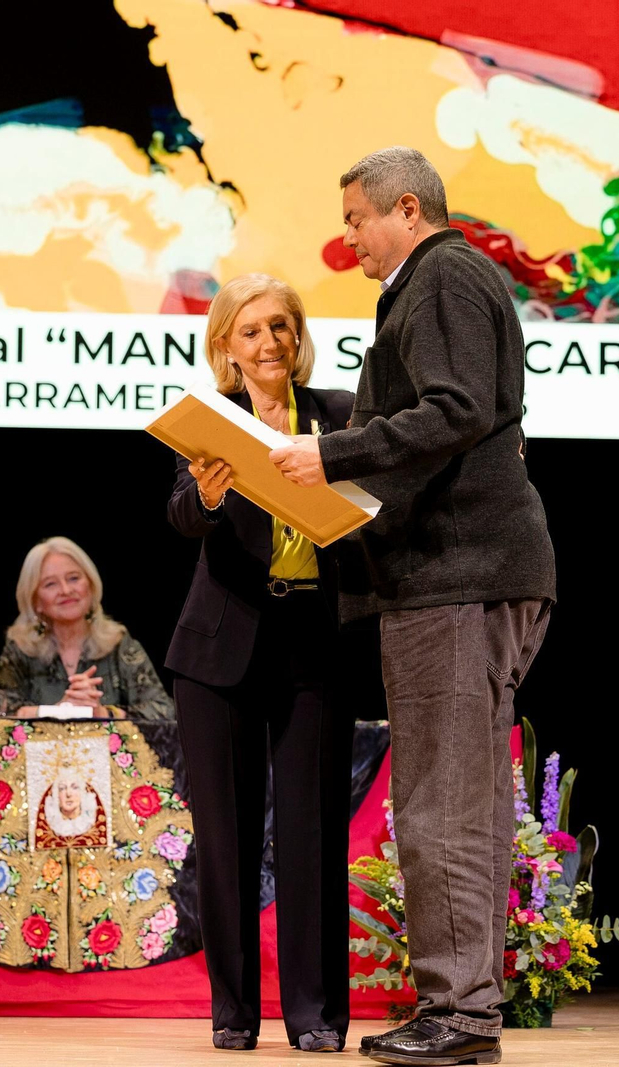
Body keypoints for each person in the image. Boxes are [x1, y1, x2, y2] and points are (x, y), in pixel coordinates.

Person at [271, 148, 555, 1067]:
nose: (346, 235)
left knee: (446, 803)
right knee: (443, 795)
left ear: (405, 207)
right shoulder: (438, 281)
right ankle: (459, 1005)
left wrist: (336, 454)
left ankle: (463, 1013)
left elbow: (458, 408)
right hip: (451, 577)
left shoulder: (440, 275)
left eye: (355, 217)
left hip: (460, 580)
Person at [168, 272, 356, 1054]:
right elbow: (179, 514)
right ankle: (234, 1014)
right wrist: (208, 498)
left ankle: (314, 1015)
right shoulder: (212, 421)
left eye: (281, 326)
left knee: (313, 834)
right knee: (227, 836)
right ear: (225, 347)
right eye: (251, 331)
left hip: (315, 638)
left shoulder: (340, 415)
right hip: (220, 650)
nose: (270, 342)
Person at [0, 536, 174, 720]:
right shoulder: (19, 650)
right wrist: (59, 711)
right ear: (35, 601)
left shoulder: (119, 644)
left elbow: (164, 711)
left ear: (91, 586)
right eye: (50, 584)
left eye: (74, 578)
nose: (66, 590)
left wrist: (105, 713)